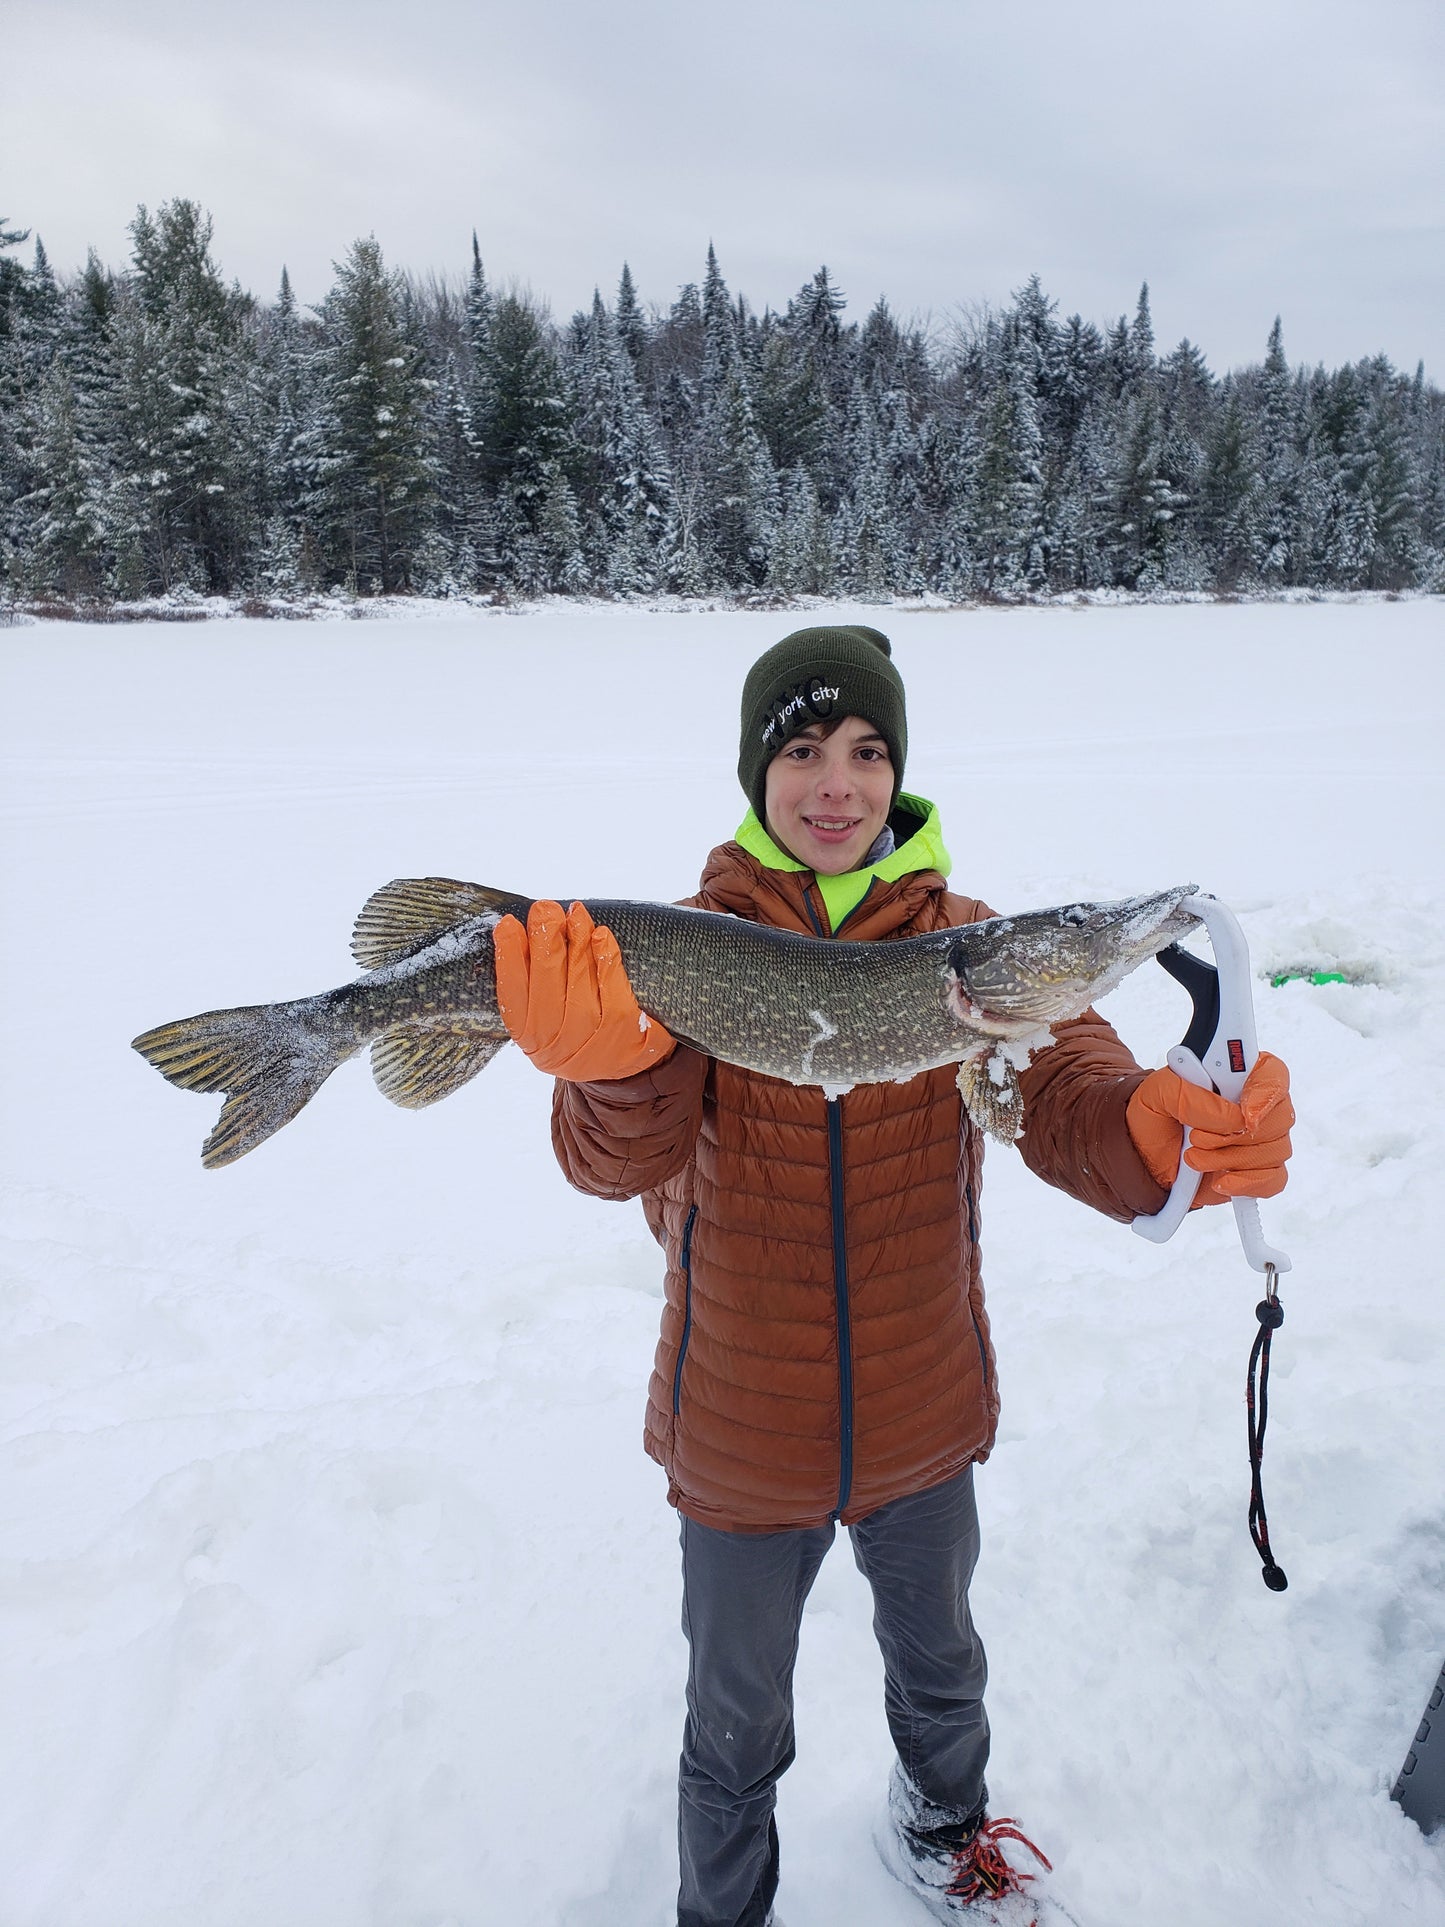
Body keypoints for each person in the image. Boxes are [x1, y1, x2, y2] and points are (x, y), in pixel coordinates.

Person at [492, 628, 1294, 1927]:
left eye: (866, 752)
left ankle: (944, 1831)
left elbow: (1073, 1098)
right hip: (741, 1430)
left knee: (942, 1668)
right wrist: (608, 1065)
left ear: (898, 775)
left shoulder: (973, 952)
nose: (834, 783)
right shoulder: (686, 947)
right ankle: (724, 1910)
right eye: (802, 750)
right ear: (757, 776)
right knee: (735, 1723)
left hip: (922, 1416)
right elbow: (610, 1162)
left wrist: (1155, 1125)